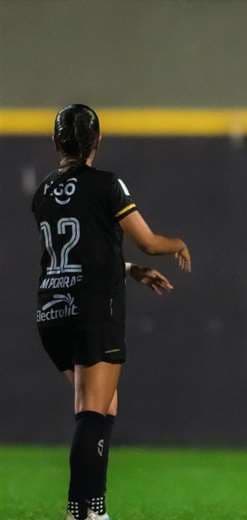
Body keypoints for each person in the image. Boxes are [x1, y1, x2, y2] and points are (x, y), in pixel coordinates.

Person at [32, 104, 191, 520]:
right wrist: (177, 244)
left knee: (103, 405)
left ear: (56, 143)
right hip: (92, 308)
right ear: (97, 142)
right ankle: (79, 510)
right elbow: (151, 242)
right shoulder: (107, 185)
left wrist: (129, 270)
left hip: (52, 309)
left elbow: (74, 254)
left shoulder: (43, 193)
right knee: (91, 410)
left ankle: (95, 507)